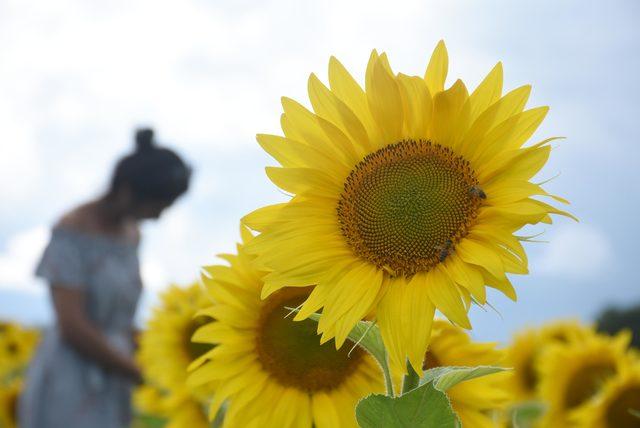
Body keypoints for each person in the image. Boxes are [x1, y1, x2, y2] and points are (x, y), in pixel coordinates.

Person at [19, 128, 192, 428]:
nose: (159, 216)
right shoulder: (71, 233)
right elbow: (72, 324)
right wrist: (135, 370)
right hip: (72, 374)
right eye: (158, 205)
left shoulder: (132, 235)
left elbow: (122, 318)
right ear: (127, 191)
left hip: (115, 372)